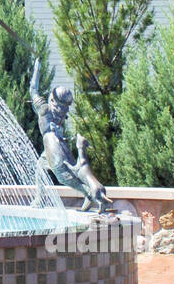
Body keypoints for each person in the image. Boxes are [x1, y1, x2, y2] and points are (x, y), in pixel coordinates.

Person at [29, 60, 113, 213]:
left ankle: (88, 193)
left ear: (52, 100)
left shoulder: (45, 109)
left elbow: (33, 90)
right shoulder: (61, 113)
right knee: (41, 169)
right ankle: (40, 199)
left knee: (63, 176)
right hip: (59, 143)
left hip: (53, 147)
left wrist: (37, 68)